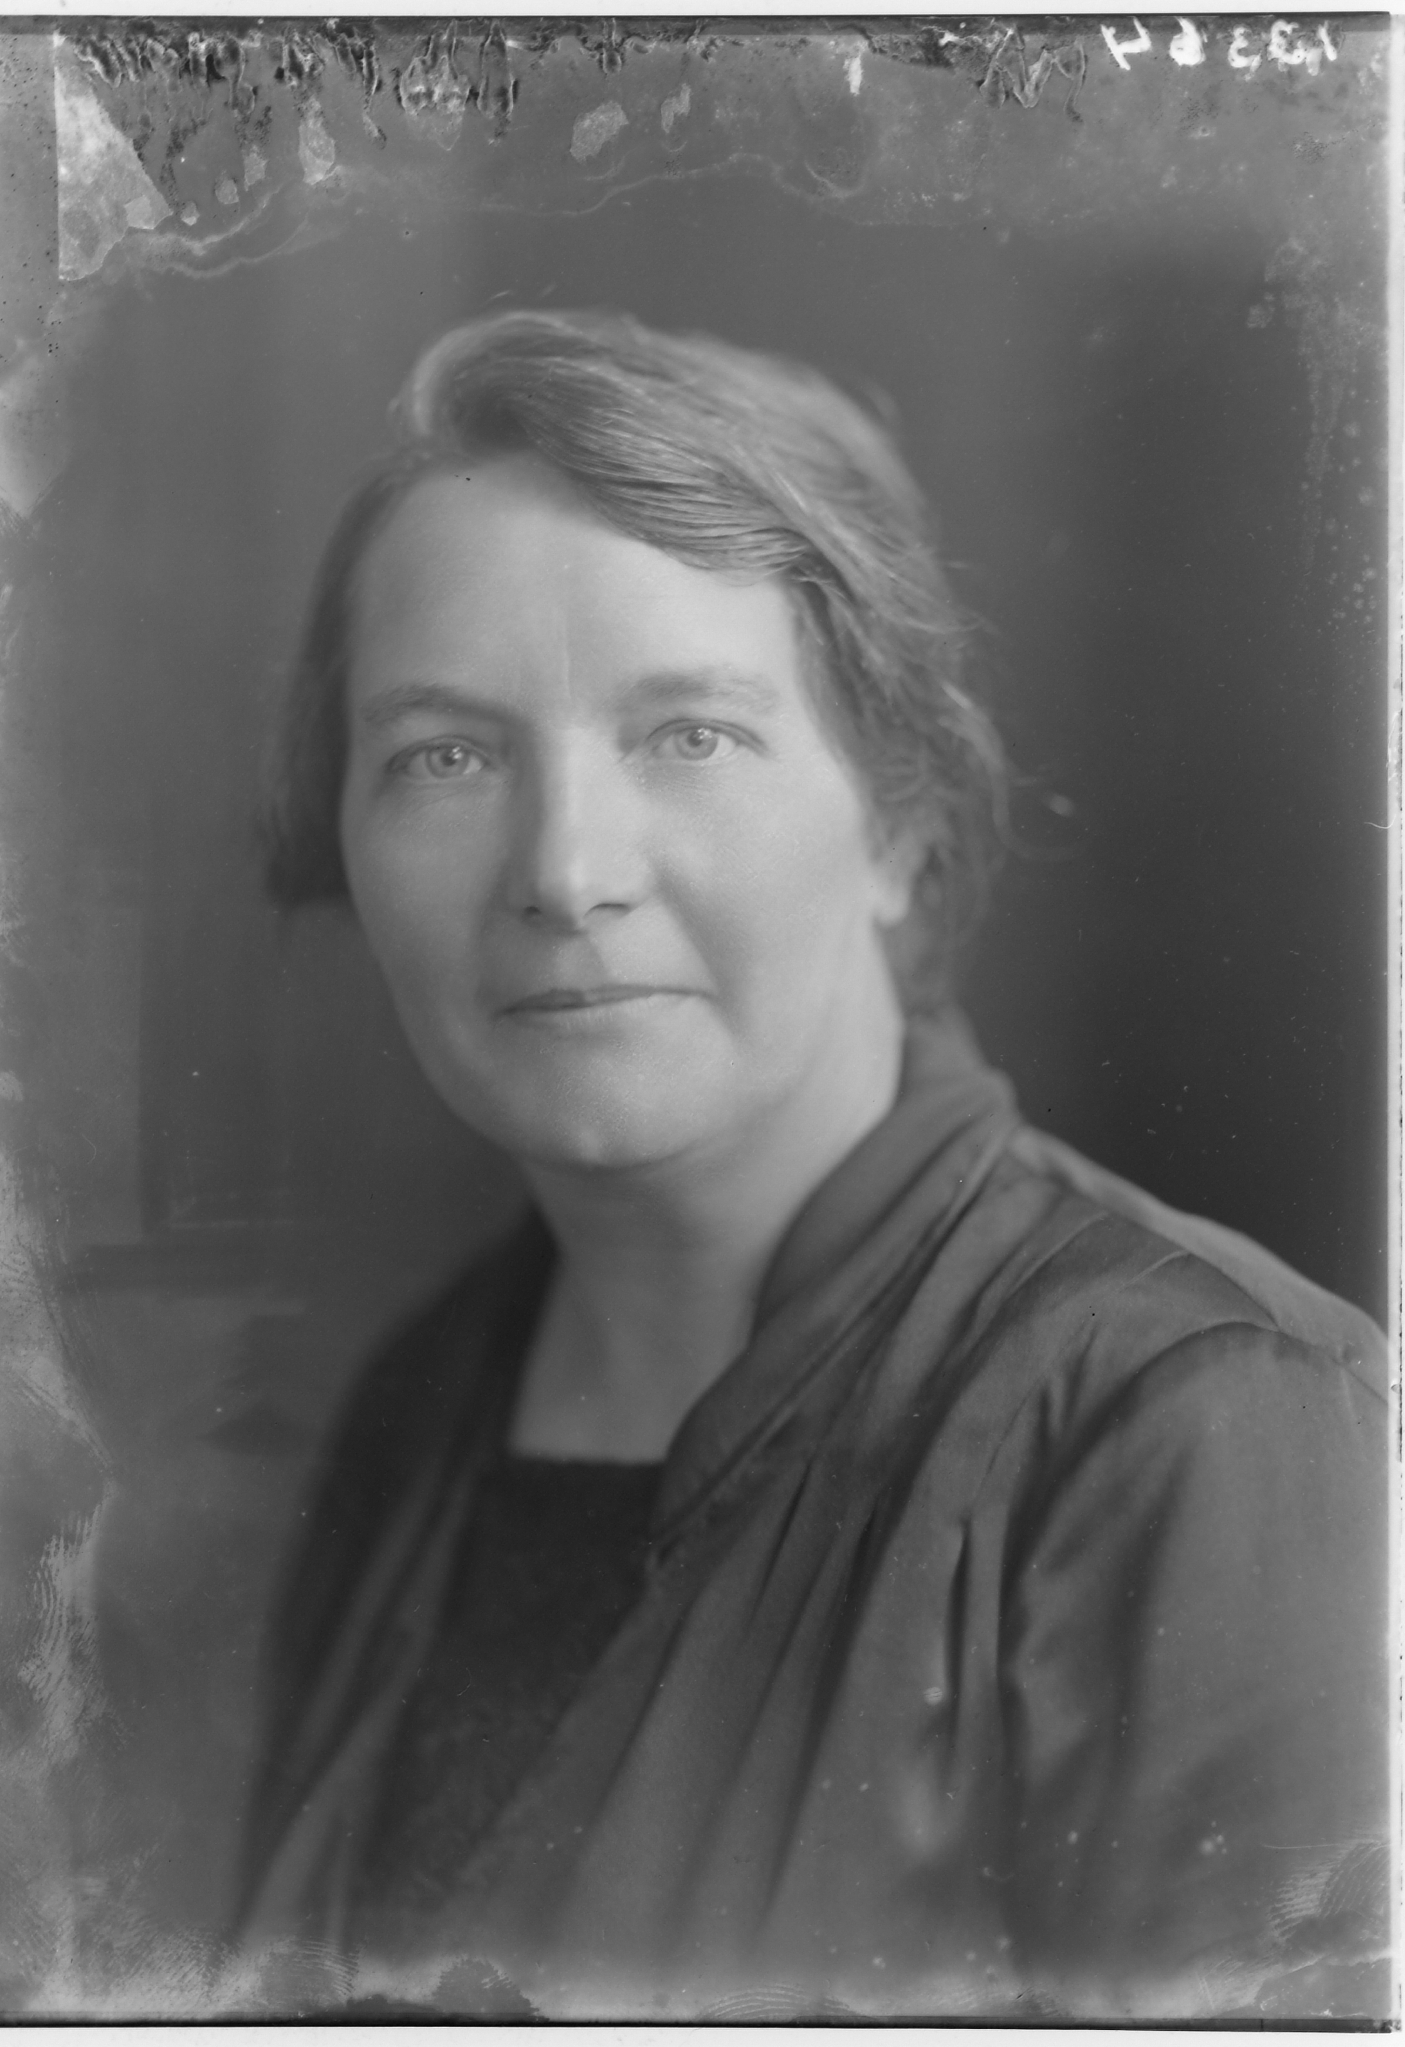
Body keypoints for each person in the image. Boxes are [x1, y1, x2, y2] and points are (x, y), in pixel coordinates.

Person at [235, 310, 1389, 2021]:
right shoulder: (418, 1404)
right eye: (446, 755)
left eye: (689, 733)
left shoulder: (1198, 1420)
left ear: (900, 825)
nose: (565, 869)